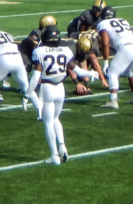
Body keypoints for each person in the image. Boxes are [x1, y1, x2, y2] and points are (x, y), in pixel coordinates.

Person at [26, 25, 100, 165]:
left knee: (48, 122)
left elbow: (35, 77)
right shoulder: (65, 51)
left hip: (47, 88)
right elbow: (78, 70)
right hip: (61, 89)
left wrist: (27, 94)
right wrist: (91, 73)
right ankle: (62, 146)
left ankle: (54, 155)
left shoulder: (39, 51)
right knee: (56, 119)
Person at [0, 23, 42, 124]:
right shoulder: (7, 34)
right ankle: (40, 112)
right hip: (18, 59)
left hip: (4, 58)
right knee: (26, 86)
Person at [98, 6, 133, 109]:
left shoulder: (103, 24)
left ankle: (113, 101)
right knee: (131, 73)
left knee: (112, 73)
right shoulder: (123, 20)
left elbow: (105, 43)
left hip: (126, 48)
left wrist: (105, 62)